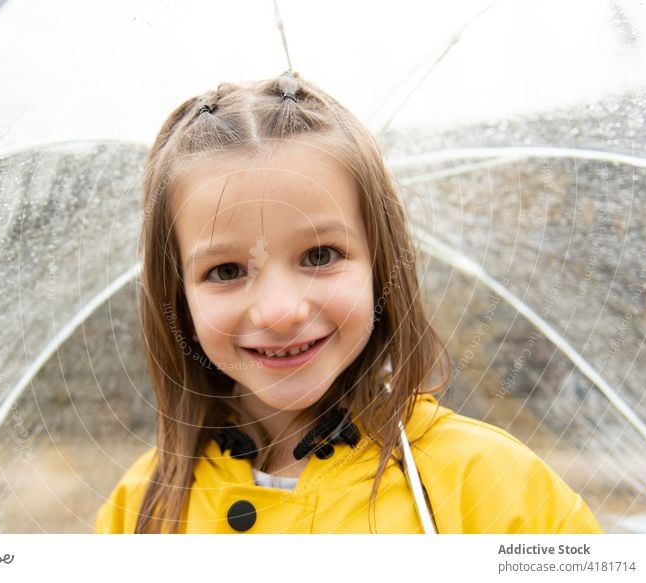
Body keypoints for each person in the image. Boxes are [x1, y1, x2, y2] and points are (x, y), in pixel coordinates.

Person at [95, 72, 602, 534]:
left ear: (381, 266)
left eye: (320, 255)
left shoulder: (494, 488)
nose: (280, 311)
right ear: (177, 297)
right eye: (226, 271)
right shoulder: (139, 510)